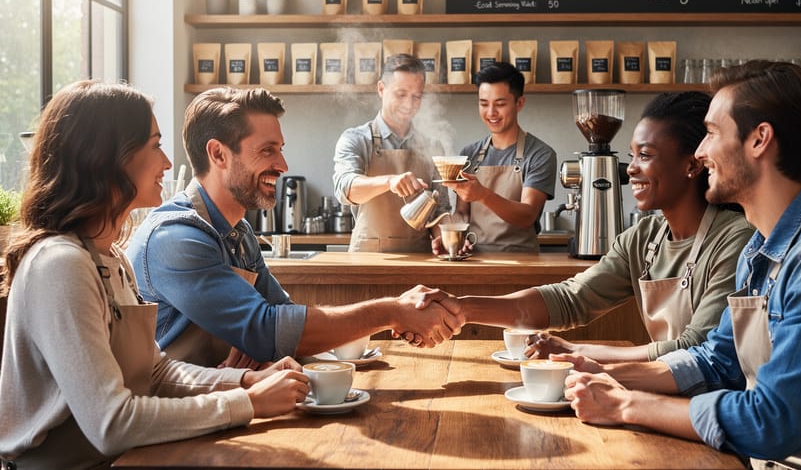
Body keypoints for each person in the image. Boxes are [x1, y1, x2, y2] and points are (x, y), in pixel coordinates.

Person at [559, 61, 801, 469]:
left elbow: (773, 422)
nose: (701, 152)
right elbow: (716, 361)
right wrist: (605, 372)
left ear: (760, 140)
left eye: (712, 133)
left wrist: (626, 404)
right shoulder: (760, 248)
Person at [0, 81, 310, 469]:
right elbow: (111, 423)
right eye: (154, 145)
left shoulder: (109, 257)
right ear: (108, 157)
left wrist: (245, 383)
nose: (167, 162)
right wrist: (246, 403)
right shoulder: (59, 265)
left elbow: (156, 371)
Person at [126, 86, 462, 369]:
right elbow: (267, 329)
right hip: (172, 425)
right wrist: (391, 312)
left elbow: (281, 317)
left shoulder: (240, 235)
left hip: (222, 405)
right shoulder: (175, 237)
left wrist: (269, 344)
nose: (283, 165)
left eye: (280, 150)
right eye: (267, 150)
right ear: (218, 154)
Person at [413, 91, 754, 362]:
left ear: (693, 165)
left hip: (710, 413)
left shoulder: (734, 239)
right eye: (631, 156)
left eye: (645, 156)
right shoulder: (643, 239)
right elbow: (571, 299)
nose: (630, 170)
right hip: (657, 392)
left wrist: (581, 353)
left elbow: (695, 348)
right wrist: (463, 307)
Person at [332, 53, 450, 253]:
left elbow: (440, 210)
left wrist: (447, 240)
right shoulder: (356, 139)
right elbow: (345, 189)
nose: (409, 104)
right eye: (401, 94)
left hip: (419, 260)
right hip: (367, 262)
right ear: (381, 89)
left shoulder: (432, 146)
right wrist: (390, 181)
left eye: (416, 96)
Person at [440, 62, 557, 253]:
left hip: (523, 262)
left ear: (519, 103)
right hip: (475, 260)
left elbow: (527, 215)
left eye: (500, 104)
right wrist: (453, 237)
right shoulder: (469, 154)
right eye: (484, 104)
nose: (491, 113)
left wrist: (483, 195)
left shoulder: (540, 154)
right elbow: (462, 213)